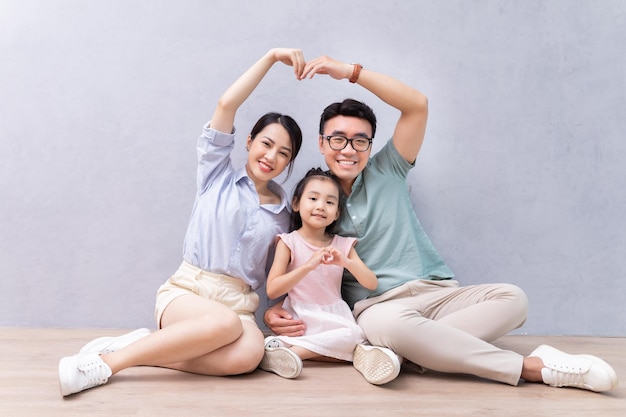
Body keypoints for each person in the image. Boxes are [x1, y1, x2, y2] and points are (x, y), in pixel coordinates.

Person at [264, 54, 618, 392]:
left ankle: (407, 353)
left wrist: (348, 71)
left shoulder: (388, 169)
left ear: (370, 146)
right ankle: (531, 367)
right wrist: (274, 312)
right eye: (338, 139)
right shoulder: (315, 199)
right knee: (390, 326)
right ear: (322, 144)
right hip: (379, 309)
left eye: (360, 141)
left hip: (438, 293)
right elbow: (298, 257)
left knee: (514, 299)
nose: (348, 149)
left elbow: (416, 104)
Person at [58, 48, 307, 397]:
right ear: (249, 142)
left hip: (240, 304)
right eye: (266, 144)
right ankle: (105, 364)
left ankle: (146, 349)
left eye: (284, 153)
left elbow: (277, 273)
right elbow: (225, 105)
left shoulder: (284, 215)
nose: (272, 157)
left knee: (248, 356)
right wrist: (269, 58)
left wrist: (276, 310)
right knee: (222, 324)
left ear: (289, 162)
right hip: (188, 293)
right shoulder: (216, 173)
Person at [259, 168, 400, 383]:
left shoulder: (343, 244)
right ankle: (341, 354)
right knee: (353, 343)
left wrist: (346, 261)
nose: (320, 206)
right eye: (313, 198)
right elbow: (273, 289)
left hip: (334, 314)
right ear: (296, 204)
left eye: (330, 202)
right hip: (300, 314)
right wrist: (308, 265)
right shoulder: (288, 242)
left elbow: (371, 283)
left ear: (337, 213)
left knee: (354, 335)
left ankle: (293, 353)